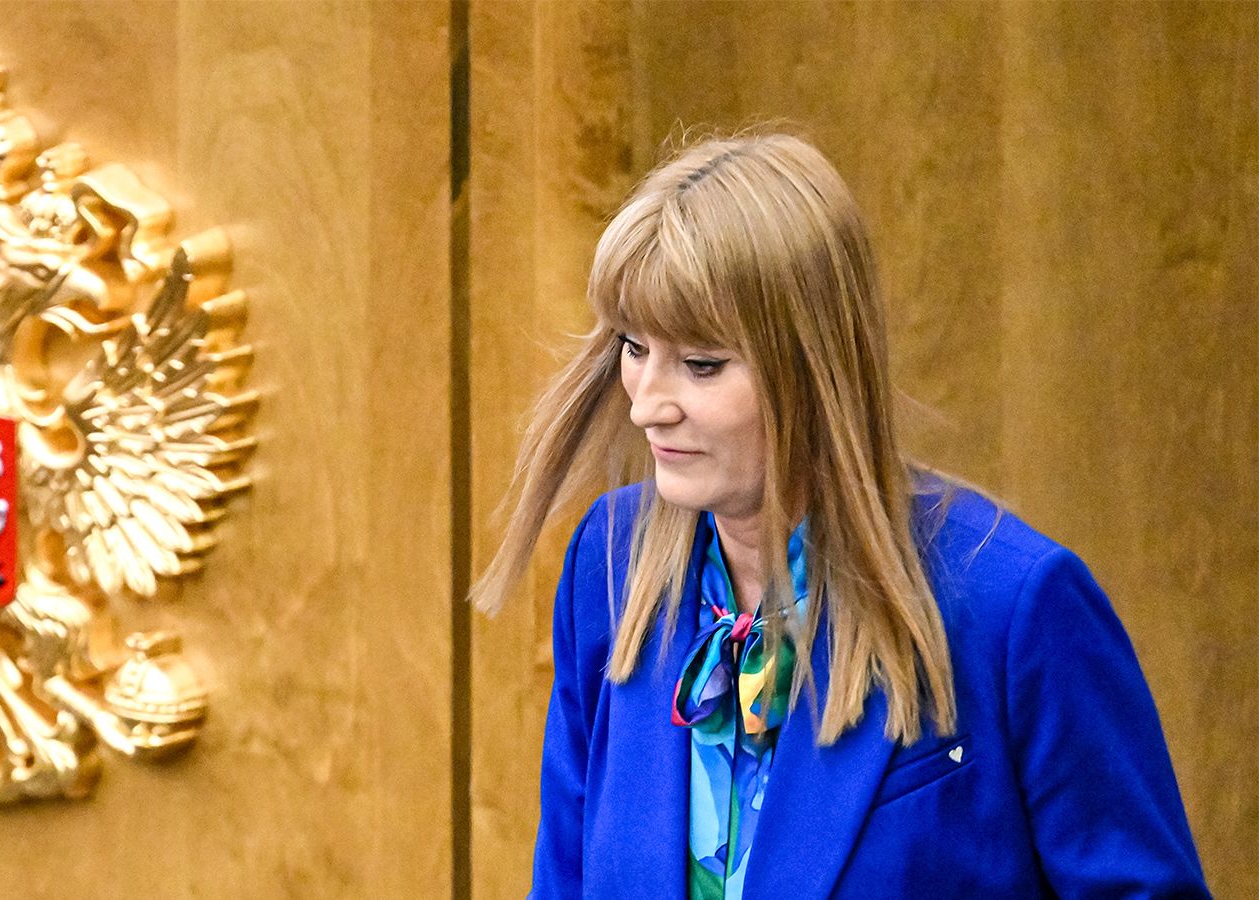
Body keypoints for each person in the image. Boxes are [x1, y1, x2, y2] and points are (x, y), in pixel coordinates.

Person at [470, 133, 1209, 898]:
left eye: (701, 364)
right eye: (633, 347)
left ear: (812, 367)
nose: (647, 405)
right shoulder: (608, 563)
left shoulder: (1017, 609)